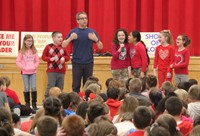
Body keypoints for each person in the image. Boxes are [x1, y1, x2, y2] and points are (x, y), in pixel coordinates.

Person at [62, 11, 103, 93]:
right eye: (82, 18)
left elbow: (101, 47)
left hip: (89, 62)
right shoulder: (73, 32)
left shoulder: (92, 32)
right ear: (77, 21)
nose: (84, 20)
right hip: (77, 62)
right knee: (76, 85)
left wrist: (96, 39)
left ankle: (87, 102)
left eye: (86, 18)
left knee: (88, 85)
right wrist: (70, 38)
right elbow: (63, 45)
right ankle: (76, 103)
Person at [42, 31, 70, 98]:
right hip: (52, 71)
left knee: (60, 87)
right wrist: (50, 59)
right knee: (50, 86)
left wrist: (64, 58)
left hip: (61, 71)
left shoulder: (63, 47)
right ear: (53, 38)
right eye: (58, 37)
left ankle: (58, 102)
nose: (61, 38)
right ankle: (47, 101)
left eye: (61, 37)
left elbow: (68, 57)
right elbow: (43, 57)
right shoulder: (48, 47)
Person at [16, 34, 39, 110]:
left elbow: (37, 61)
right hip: (25, 72)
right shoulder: (21, 51)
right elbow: (18, 61)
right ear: (24, 41)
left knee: (33, 87)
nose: (30, 42)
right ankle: (27, 104)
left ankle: (34, 104)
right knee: (26, 87)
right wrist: (24, 67)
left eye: (31, 41)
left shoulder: (34, 51)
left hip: (33, 72)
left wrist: (34, 67)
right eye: (28, 41)